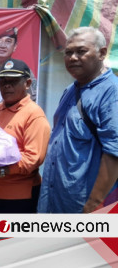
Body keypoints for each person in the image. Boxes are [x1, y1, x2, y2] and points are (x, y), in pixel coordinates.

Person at [38, 27, 118, 213]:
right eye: (68, 52)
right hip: (55, 200)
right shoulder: (70, 90)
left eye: (81, 51)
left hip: (85, 209)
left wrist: (93, 206)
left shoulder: (111, 93)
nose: (73, 57)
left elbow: (114, 153)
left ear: (102, 53)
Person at [0, 59, 50, 217]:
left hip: (17, 198)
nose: (6, 86)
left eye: (13, 81)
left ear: (27, 83)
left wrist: (1, 172)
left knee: (12, 242)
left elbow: (33, 159)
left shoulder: (34, 115)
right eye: (3, 81)